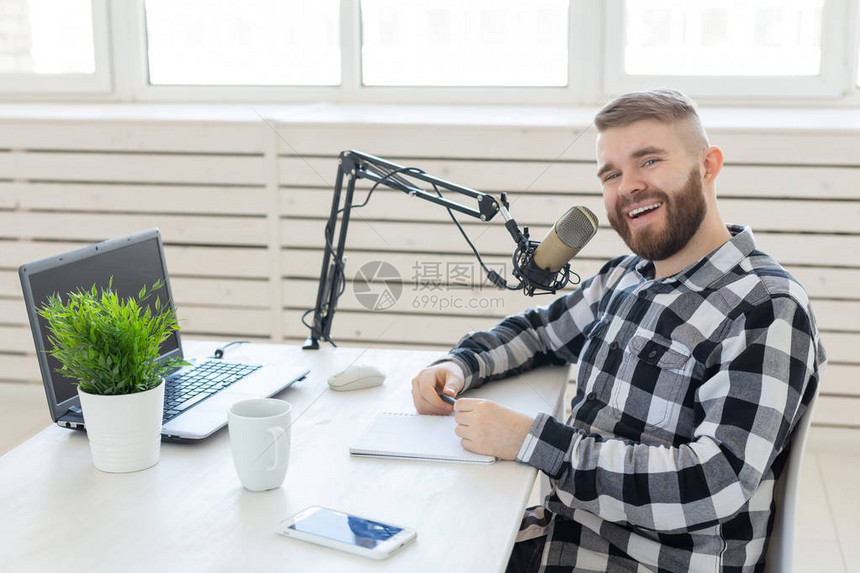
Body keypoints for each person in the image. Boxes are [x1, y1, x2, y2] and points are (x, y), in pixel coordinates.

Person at [411, 89, 826, 573]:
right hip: (562, 533)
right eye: (611, 174)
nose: (628, 186)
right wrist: (458, 363)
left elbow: (716, 481)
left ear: (707, 166)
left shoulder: (766, 306)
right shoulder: (626, 275)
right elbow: (544, 332)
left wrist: (533, 442)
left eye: (648, 161)